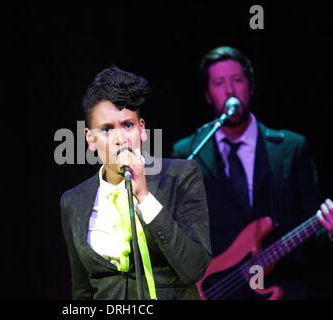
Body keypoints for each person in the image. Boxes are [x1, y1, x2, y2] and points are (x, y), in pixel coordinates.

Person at [172, 46, 333, 299]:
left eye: (237, 80)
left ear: (251, 87)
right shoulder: (187, 152)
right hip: (216, 289)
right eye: (218, 83)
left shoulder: (291, 147)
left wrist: (330, 229)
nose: (229, 90)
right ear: (207, 94)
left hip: (284, 286)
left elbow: (316, 223)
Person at [60, 66, 211, 300]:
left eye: (127, 125)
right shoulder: (74, 201)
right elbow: (82, 290)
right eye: (107, 129)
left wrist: (145, 197)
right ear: (91, 139)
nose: (120, 139)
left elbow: (195, 268)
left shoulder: (180, 176)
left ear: (141, 129)